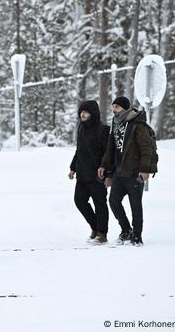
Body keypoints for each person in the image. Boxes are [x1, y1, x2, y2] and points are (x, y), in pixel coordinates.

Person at [98, 96, 155, 246]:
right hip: (119, 172)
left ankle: (137, 236)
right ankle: (126, 230)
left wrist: (145, 170)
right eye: (113, 107)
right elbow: (110, 148)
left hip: (135, 172)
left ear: (124, 108)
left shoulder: (137, 124)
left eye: (116, 107)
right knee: (113, 201)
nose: (113, 110)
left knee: (135, 205)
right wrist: (104, 165)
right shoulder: (115, 123)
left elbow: (146, 148)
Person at [69, 100, 110, 244]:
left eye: (85, 112)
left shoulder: (103, 129)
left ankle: (102, 233)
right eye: (81, 112)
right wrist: (72, 168)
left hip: (97, 174)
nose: (82, 114)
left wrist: (106, 171)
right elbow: (79, 150)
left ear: (92, 113)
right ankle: (95, 226)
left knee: (100, 204)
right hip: (82, 173)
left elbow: (108, 153)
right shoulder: (81, 128)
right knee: (79, 200)